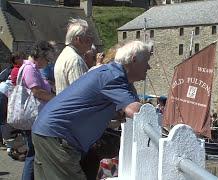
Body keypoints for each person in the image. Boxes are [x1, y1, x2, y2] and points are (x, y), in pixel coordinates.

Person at [31, 40, 151, 180]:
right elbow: (135, 111)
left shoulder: (109, 72)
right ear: (134, 60)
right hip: (57, 136)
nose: (149, 67)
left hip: (46, 131)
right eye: (146, 61)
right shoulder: (113, 77)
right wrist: (157, 116)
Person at [20, 41, 56, 180]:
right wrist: (55, 98)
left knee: (34, 153)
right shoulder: (30, 68)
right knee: (33, 155)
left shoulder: (32, 68)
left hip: (33, 117)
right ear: (40, 56)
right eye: (47, 59)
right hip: (33, 118)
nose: (47, 63)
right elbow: (36, 92)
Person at [54, 18, 93, 95]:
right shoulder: (75, 60)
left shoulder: (65, 54)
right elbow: (81, 92)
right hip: (73, 106)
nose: (92, 41)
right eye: (89, 38)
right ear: (78, 39)